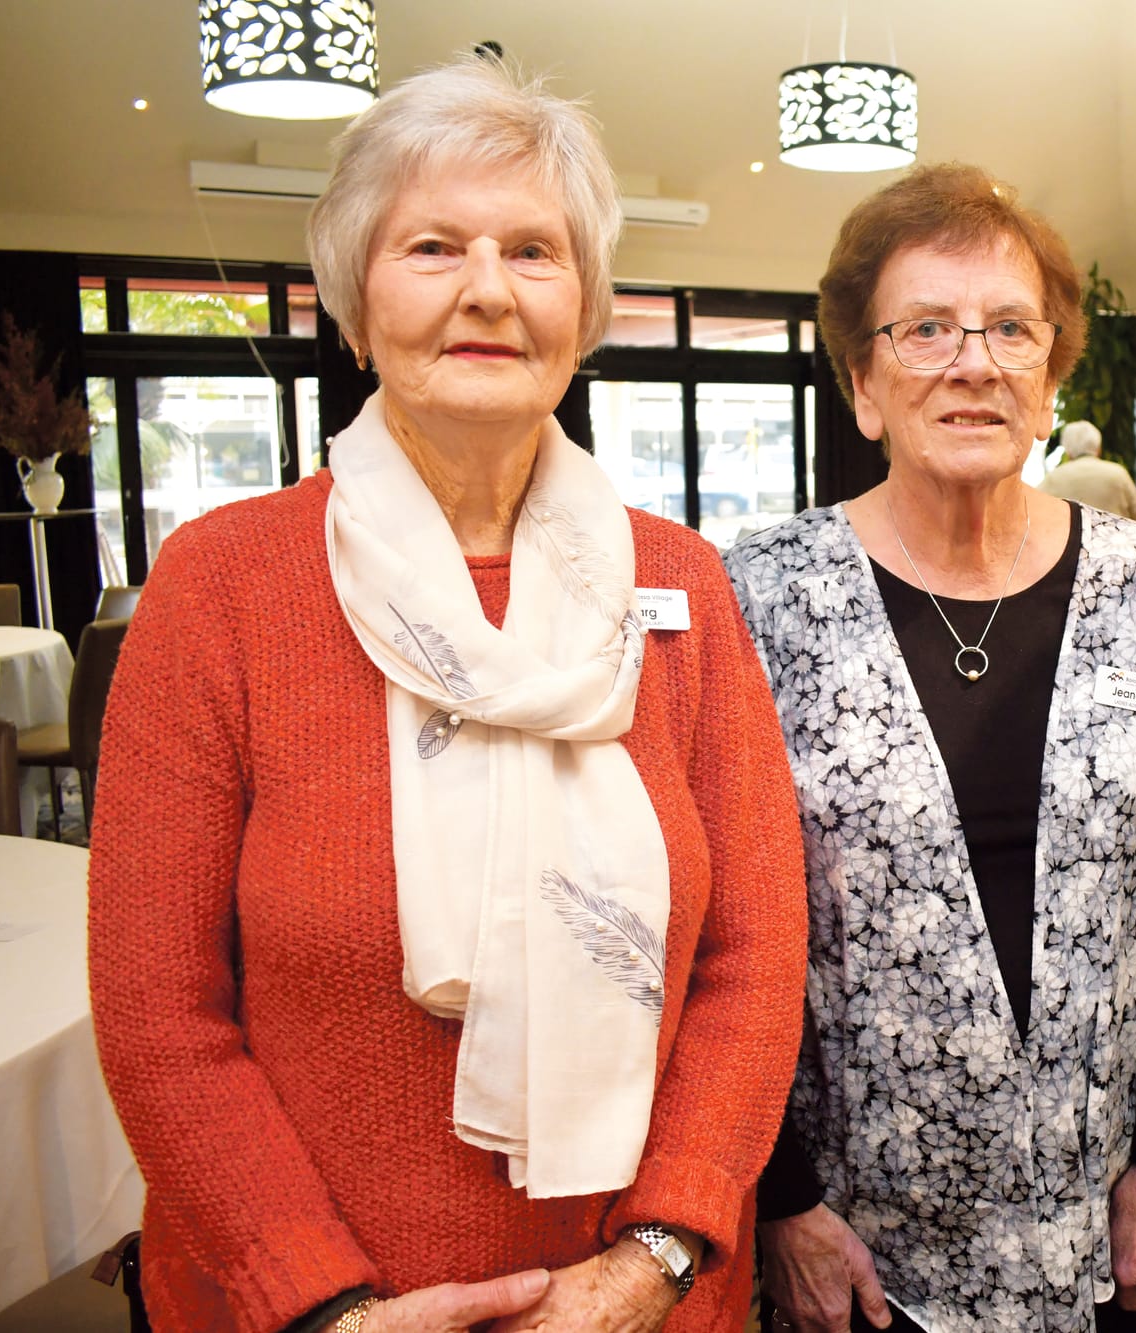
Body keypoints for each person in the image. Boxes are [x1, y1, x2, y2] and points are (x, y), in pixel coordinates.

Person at [88, 56, 807, 1333]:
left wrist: (654, 1257)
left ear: (582, 306)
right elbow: (158, 1007)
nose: (487, 290)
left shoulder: (679, 581)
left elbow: (754, 958)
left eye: (534, 251)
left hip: (637, 1304)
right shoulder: (222, 584)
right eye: (432, 246)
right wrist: (323, 1308)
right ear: (358, 297)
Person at [724, 163, 1136, 1333]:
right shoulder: (762, 591)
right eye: (924, 331)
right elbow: (722, 919)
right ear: (861, 382)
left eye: (1010, 328)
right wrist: (785, 1200)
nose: (973, 362)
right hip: (854, 1242)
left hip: (1100, 1220)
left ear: (1050, 372)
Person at [1039, 420, 1136, 523]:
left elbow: (1031, 511)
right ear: (1098, 448)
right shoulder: (1117, 473)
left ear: (1068, 451)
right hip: (1114, 545)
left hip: (1068, 546)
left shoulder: (1054, 477)